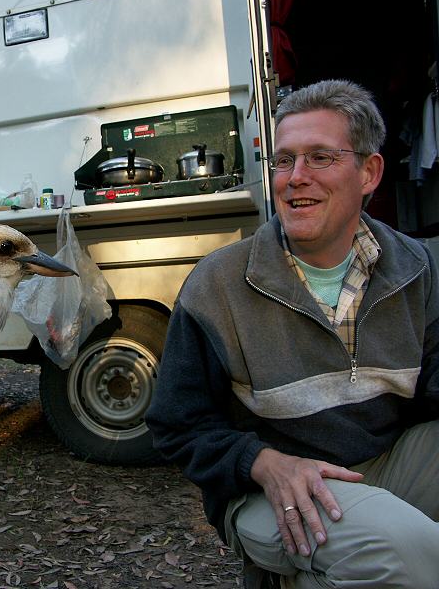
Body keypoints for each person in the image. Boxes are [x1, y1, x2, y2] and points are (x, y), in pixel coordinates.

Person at [145, 79, 439, 588]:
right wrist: (260, 461)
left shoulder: (415, 268)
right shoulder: (217, 285)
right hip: (269, 487)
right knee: (404, 552)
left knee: (398, 548)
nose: (295, 178)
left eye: (320, 157)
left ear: (369, 173)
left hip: (385, 464)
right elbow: (177, 424)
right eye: (284, 161)